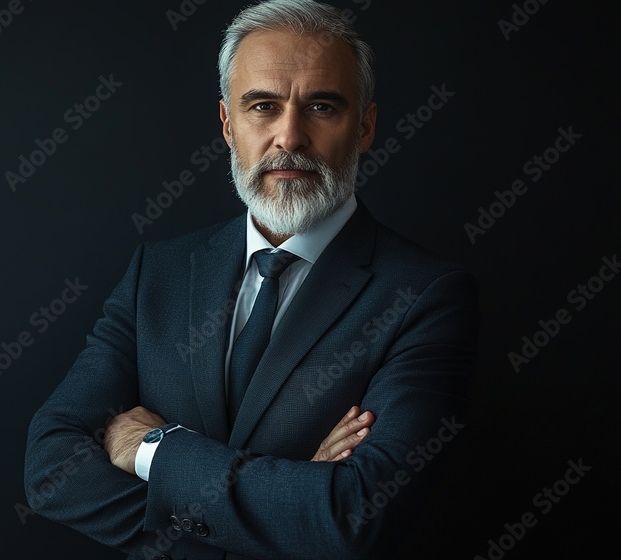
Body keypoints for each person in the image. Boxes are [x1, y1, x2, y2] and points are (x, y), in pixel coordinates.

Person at [24, 1, 478, 558]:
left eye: (321, 106)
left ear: (364, 126)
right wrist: (292, 504)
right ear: (227, 124)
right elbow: (51, 465)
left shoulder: (426, 297)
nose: (289, 136)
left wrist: (153, 449)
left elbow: (356, 516)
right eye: (263, 105)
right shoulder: (157, 274)